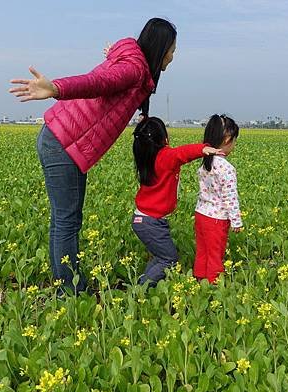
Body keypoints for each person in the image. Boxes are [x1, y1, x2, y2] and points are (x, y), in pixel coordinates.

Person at [9, 18, 177, 295]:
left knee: (64, 219)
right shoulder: (134, 69)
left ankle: (66, 285)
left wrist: (113, 53)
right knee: (67, 220)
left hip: (62, 139)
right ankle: (69, 291)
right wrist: (57, 89)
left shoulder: (133, 63)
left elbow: (112, 70)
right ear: (160, 48)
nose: (172, 57)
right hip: (65, 142)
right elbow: (98, 82)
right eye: (171, 50)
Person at [131, 117, 224, 287]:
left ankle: (142, 285)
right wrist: (203, 148)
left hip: (144, 220)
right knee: (169, 260)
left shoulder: (146, 155)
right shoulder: (164, 156)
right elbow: (181, 153)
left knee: (160, 258)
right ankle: (140, 288)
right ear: (164, 139)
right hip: (151, 222)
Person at [193, 114, 243, 284]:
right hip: (216, 219)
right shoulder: (226, 168)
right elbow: (230, 197)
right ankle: (214, 286)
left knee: (202, 251)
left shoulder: (205, 161)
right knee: (215, 255)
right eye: (234, 141)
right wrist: (236, 221)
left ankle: (200, 281)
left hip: (201, 214)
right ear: (227, 138)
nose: (234, 145)